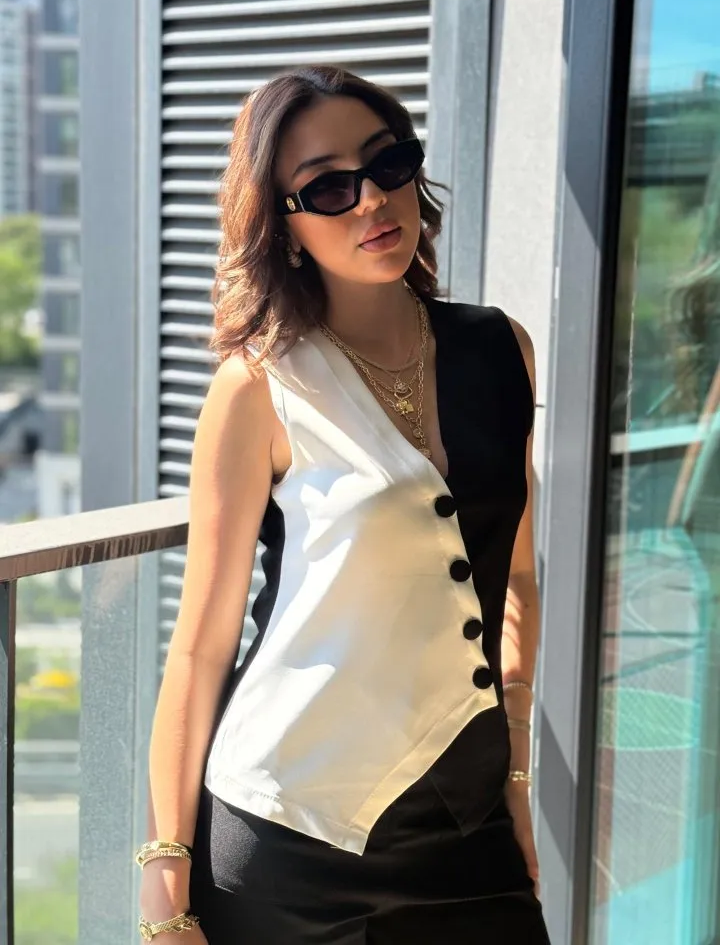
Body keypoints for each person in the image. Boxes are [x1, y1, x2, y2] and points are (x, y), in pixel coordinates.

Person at [136, 65, 551, 944]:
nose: (371, 199)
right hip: (289, 834)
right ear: (283, 225)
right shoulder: (259, 387)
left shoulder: (501, 349)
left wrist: (516, 771)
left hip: (466, 823)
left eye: (388, 163)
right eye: (328, 187)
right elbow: (203, 645)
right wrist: (165, 875)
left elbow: (513, 578)